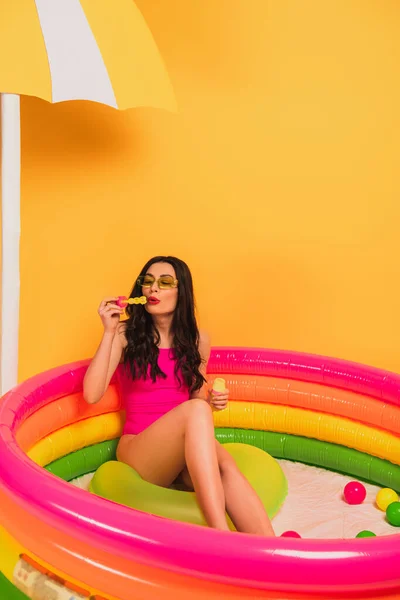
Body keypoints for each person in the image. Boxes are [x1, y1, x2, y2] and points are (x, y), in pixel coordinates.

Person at [83, 256, 275, 535]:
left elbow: (197, 401)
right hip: (141, 451)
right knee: (196, 413)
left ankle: (271, 551)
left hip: (182, 447)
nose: (153, 289)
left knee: (226, 467)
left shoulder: (198, 340)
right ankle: (220, 536)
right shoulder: (125, 334)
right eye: (147, 282)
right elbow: (91, 394)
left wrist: (212, 402)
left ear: (181, 291)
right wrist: (109, 331)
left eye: (164, 282)